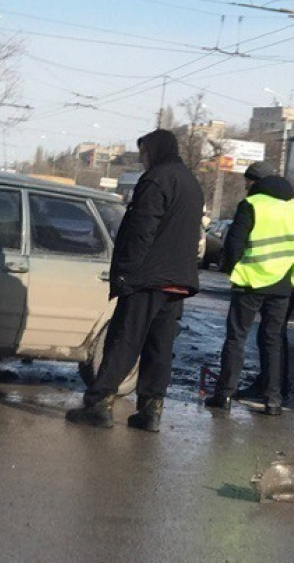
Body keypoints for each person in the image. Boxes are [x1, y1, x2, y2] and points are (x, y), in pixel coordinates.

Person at [66, 129, 204, 432]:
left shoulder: (156, 179)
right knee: (159, 346)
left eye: (143, 154)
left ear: (153, 151)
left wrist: (126, 271)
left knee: (124, 338)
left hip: (148, 277)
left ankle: (99, 403)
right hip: (177, 280)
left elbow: (140, 230)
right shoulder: (191, 183)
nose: (142, 160)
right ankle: (150, 411)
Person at [205, 160, 294, 416]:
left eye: (247, 183)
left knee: (236, 338)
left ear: (254, 182)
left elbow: (235, 244)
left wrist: (230, 268)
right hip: (282, 283)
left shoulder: (252, 204)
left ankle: (224, 394)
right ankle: (273, 399)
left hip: (250, 281)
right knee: (272, 340)